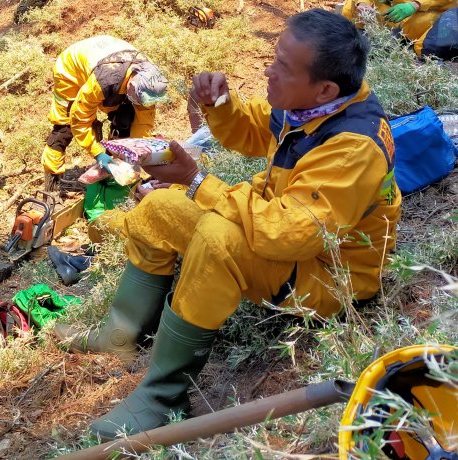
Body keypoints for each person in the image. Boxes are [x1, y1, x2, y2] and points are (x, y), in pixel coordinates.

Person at [56, 8, 403, 440]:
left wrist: (196, 180)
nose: (268, 71)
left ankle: (163, 396)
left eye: (282, 67)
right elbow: (256, 130)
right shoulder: (314, 108)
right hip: (282, 237)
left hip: (330, 278)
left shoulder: (352, 147)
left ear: (324, 89)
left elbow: (289, 233)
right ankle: (121, 333)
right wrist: (218, 104)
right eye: (274, 57)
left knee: (217, 239)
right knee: (158, 209)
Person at [42, 35, 168, 192]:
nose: (143, 104)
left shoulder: (149, 80)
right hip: (72, 68)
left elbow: (143, 122)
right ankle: (52, 182)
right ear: (131, 85)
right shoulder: (103, 82)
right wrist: (97, 153)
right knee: (64, 128)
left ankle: (113, 172)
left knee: (125, 119)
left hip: (109, 60)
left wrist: (137, 150)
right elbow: (79, 120)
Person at [342, 0, 455, 55]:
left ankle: (402, 40)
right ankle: (370, 37)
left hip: (427, 9)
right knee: (349, 9)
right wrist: (362, 3)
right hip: (394, 10)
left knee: (415, 25)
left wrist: (416, 4)